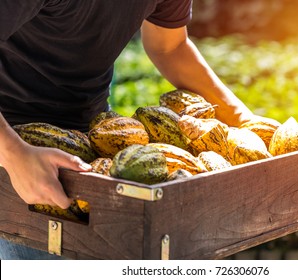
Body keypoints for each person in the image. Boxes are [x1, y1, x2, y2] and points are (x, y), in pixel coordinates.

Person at [0, 0, 254, 259]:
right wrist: (14, 155)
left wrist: (242, 118)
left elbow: (170, 46)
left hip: (90, 132)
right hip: (13, 139)